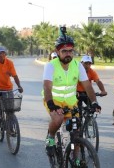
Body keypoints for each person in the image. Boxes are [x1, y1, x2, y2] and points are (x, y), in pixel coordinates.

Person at [42, 27, 101, 156]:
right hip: (54, 100)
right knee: (58, 119)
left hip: (71, 102)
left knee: (77, 132)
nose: (68, 54)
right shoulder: (50, 66)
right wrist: (51, 104)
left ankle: (77, 161)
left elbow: (88, 86)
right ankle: (50, 138)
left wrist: (94, 102)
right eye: (64, 51)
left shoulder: (77, 65)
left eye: (70, 51)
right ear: (58, 52)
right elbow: (47, 87)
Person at [0, 46, 23, 124]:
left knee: (10, 110)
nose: (1, 55)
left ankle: (11, 129)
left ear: (5, 54)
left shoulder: (9, 63)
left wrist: (19, 86)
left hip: (8, 88)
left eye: (3, 53)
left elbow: (15, 76)